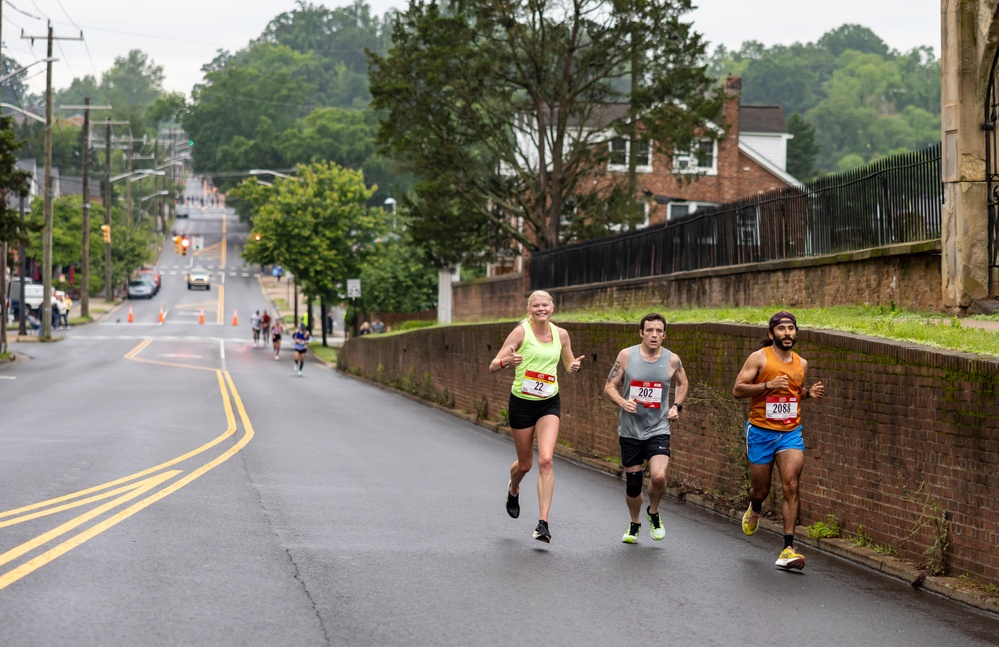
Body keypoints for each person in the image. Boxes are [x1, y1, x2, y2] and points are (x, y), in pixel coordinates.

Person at [489, 290, 585, 543]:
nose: (541, 309)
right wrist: (507, 361)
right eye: (536, 306)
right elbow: (493, 364)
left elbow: (567, 363)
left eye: (545, 305)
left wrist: (572, 366)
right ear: (529, 309)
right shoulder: (521, 332)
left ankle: (543, 523)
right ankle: (513, 488)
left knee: (545, 460)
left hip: (548, 403)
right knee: (525, 465)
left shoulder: (561, 334)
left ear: (552, 307)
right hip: (521, 403)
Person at [733, 311, 825, 570]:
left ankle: (788, 547)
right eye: (782, 329)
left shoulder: (801, 363)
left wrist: (808, 393)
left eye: (791, 329)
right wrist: (766, 385)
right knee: (761, 489)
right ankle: (755, 507)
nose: (787, 333)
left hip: (790, 432)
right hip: (761, 432)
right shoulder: (759, 358)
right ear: (771, 334)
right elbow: (737, 389)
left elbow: (792, 395)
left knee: (791, 484)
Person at [604, 313, 688, 544]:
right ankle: (634, 522)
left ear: (664, 335)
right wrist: (623, 402)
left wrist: (676, 406)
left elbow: (683, 382)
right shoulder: (626, 355)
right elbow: (609, 386)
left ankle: (653, 512)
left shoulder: (672, 360)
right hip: (630, 430)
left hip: (658, 428)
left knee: (659, 476)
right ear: (641, 333)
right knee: (633, 484)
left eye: (658, 331)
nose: (654, 335)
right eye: (649, 330)